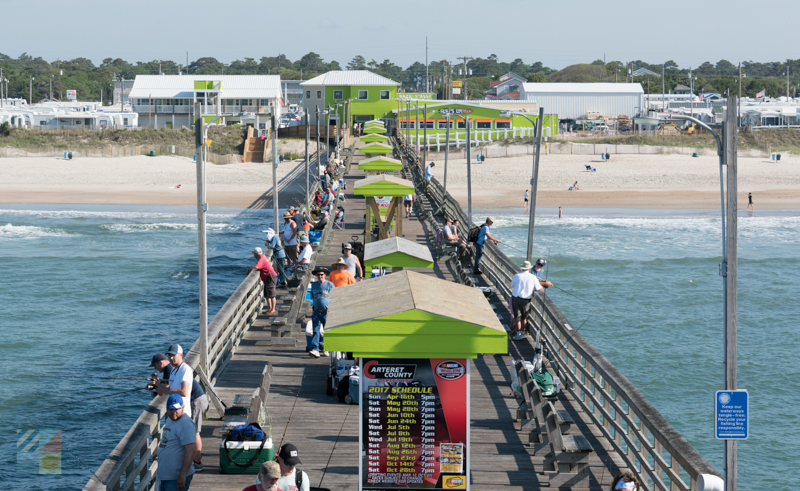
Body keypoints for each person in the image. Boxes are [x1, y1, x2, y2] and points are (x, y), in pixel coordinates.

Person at [151, 354, 207, 472]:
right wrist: (158, 385)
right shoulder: (174, 369)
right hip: (195, 400)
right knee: (192, 432)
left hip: (196, 400)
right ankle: (192, 460)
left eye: (155, 365)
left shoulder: (169, 369)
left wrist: (158, 387)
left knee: (195, 432)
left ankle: (197, 463)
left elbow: (169, 390)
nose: (155, 368)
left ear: (160, 363)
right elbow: (168, 388)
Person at [157, 394, 196, 491]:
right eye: (171, 409)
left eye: (176, 409)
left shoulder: (186, 424)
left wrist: (182, 475)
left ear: (183, 407)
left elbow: (190, 450)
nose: (173, 412)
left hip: (176, 478)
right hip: (165, 475)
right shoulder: (170, 419)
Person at [157, 344, 193, 419]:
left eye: (173, 355)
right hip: (172, 413)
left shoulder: (185, 369)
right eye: (169, 355)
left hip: (183, 413)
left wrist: (164, 390)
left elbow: (184, 392)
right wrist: (158, 385)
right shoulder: (173, 370)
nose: (171, 358)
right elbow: (171, 388)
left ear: (181, 355)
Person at [510, 261, 543, 340]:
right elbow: (539, 288)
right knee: (524, 318)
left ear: (522, 268)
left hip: (516, 298)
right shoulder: (533, 277)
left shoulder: (517, 275)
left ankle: (518, 334)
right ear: (529, 268)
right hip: (526, 300)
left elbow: (512, 285)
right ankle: (523, 333)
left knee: (517, 317)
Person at [309, 267, 334, 358]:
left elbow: (334, 297)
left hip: (327, 312)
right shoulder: (313, 285)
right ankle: (315, 349)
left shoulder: (330, 284)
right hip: (316, 311)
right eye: (318, 275)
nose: (320, 276)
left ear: (325, 275)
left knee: (327, 331)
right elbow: (313, 297)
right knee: (315, 330)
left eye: (322, 275)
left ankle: (326, 348)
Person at [249, 247, 277, 315]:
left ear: (256, 254)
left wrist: (249, 269)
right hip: (267, 278)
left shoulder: (262, 259)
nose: (254, 256)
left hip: (271, 277)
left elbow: (256, 267)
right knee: (267, 295)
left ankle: (273, 310)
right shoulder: (263, 257)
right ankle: (269, 309)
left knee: (272, 295)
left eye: (254, 254)